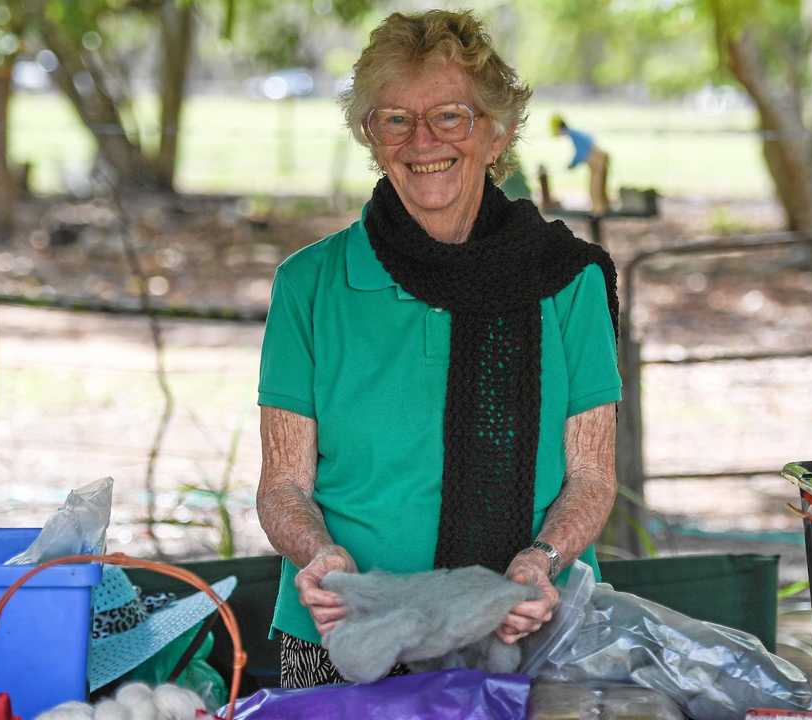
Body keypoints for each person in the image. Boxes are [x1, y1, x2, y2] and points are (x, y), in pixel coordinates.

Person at [256, 9, 622, 689]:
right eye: (395, 119)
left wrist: (541, 560)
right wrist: (316, 553)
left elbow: (593, 477)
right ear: (372, 137)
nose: (422, 140)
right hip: (345, 634)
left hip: (530, 624)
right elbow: (283, 485)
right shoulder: (309, 284)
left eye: (451, 116)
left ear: (498, 132)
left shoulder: (568, 281)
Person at [551, 115, 611, 215]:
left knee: (595, 186)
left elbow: (581, 153)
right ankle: (603, 206)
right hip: (599, 158)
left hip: (597, 159)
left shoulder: (574, 135)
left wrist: (572, 164)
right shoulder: (576, 133)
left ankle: (598, 210)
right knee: (600, 185)